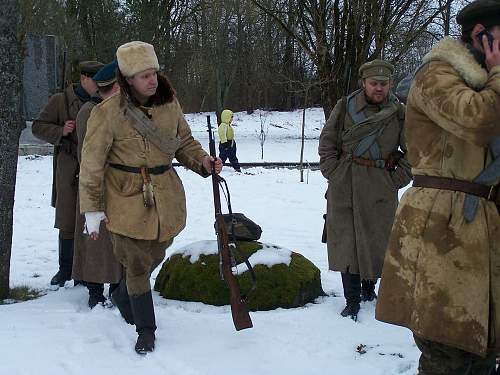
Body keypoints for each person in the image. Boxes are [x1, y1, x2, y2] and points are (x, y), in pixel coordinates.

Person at [375, 0, 500, 373]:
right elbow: (477, 120)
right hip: (441, 227)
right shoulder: (436, 75)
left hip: (487, 228)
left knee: (484, 350)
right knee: (447, 349)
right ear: (481, 35)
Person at [78, 41, 223, 355]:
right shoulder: (107, 112)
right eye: (143, 75)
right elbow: (91, 164)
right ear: (128, 79)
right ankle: (146, 329)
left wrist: (203, 162)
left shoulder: (169, 104)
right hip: (125, 196)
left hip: (165, 196)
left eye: (153, 73)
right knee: (138, 264)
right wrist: (92, 209)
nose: (152, 80)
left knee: (154, 254)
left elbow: (183, 142)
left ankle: (123, 293)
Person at [318, 59, 412, 321]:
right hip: (345, 182)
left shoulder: (399, 112)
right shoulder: (345, 106)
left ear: (390, 84)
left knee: (375, 239)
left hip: (380, 185)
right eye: (374, 84)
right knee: (346, 240)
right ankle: (352, 300)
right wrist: (333, 172)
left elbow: (413, 151)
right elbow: (327, 142)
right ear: (363, 83)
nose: (379, 88)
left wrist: (396, 180)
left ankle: (369, 289)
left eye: (383, 84)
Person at [32, 60, 104, 287]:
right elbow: (38, 126)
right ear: (84, 78)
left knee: (92, 219)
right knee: (67, 221)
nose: (99, 85)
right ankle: (65, 269)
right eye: (95, 80)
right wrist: (61, 131)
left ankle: (86, 270)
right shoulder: (60, 100)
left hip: (95, 166)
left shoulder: (103, 101)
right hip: (69, 166)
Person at [73, 61, 122, 308]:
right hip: (96, 185)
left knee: (114, 241)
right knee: (95, 241)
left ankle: (117, 287)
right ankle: (95, 291)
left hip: (118, 187)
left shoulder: (116, 109)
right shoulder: (90, 111)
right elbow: (87, 155)